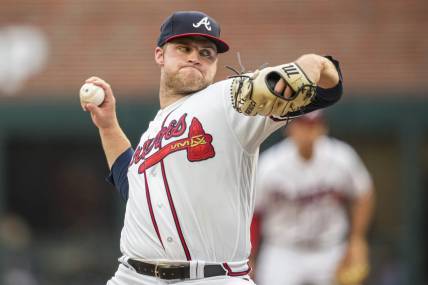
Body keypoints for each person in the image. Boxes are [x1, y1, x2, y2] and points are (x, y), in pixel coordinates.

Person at [80, 11, 343, 285]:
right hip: (132, 277)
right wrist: (108, 127)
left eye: (206, 53)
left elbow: (329, 89)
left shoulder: (227, 102)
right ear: (160, 55)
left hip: (213, 277)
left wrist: (312, 65)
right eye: (184, 48)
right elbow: (132, 187)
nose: (195, 57)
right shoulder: (152, 133)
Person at [251, 111, 375, 285]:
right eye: (302, 125)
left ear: (323, 128)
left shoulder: (341, 157)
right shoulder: (270, 164)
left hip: (329, 248)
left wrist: (357, 239)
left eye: (313, 125)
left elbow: (364, 194)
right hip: (283, 250)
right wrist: (250, 257)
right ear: (290, 128)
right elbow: (254, 213)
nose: (308, 131)